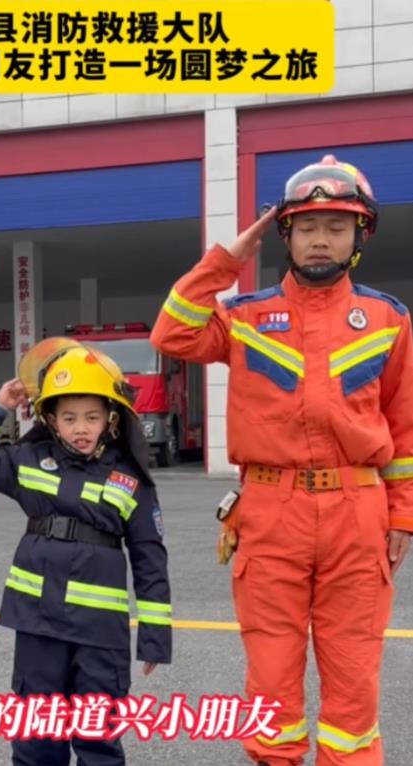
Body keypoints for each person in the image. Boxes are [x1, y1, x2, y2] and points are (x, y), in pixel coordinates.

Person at [150, 155, 413, 766]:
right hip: (270, 510)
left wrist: (403, 516)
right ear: (285, 235)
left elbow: (403, 426)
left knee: (354, 675)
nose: (321, 239)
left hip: (358, 510)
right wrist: (226, 260)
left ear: (359, 237)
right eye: (307, 226)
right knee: (270, 673)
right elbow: (171, 334)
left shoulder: (388, 319)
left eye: (337, 227)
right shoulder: (243, 316)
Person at [0, 339, 172, 766]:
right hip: (38, 623)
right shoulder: (29, 460)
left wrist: (154, 635)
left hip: (100, 631)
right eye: (69, 417)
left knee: (98, 736)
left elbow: (150, 559)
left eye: (92, 417)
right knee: (38, 735)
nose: (81, 428)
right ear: (51, 420)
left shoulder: (130, 480)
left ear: (111, 418)